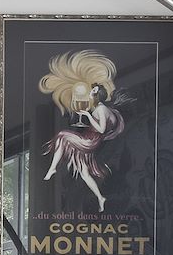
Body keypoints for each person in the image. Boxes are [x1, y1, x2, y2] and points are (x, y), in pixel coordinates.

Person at [38, 49, 124, 213]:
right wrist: (87, 118)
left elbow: (101, 129)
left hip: (90, 141)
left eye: (92, 92)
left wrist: (87, 115)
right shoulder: (103, 109)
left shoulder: (101, 109)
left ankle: (53, 168)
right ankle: (100, 198)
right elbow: (99, 128)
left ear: (97, 95)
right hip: (90, 138)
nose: (90, 94)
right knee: (84, 173)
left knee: (62, 135)